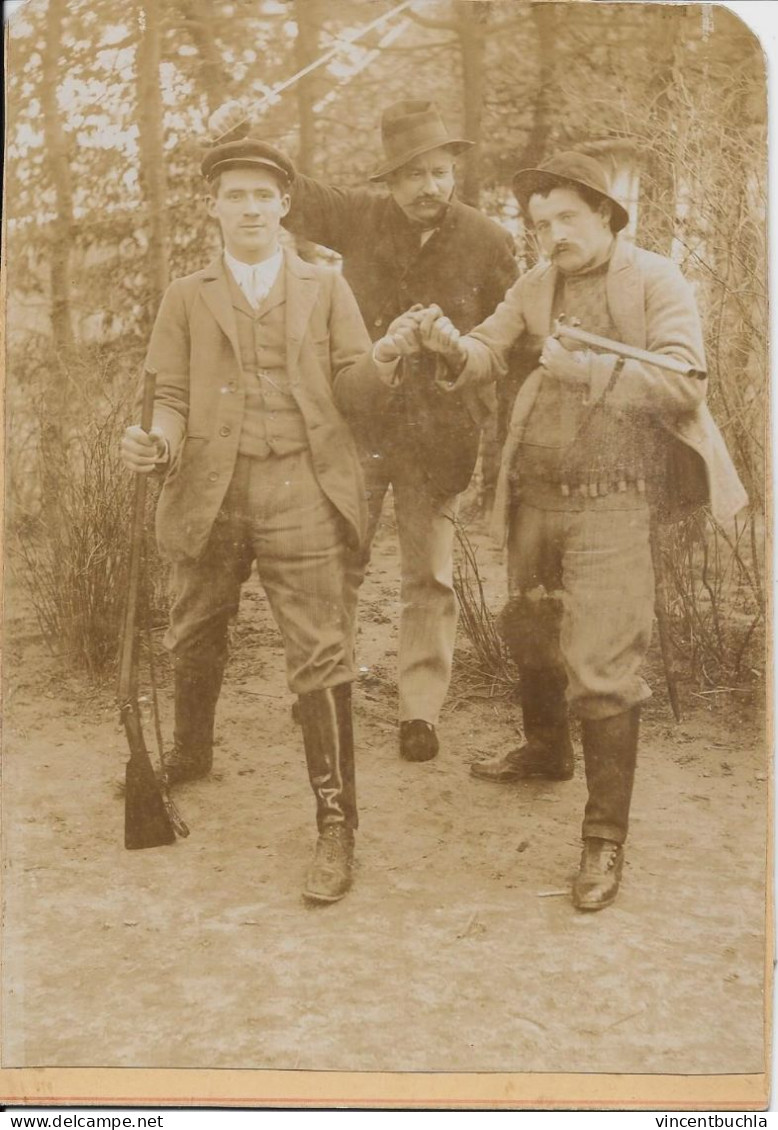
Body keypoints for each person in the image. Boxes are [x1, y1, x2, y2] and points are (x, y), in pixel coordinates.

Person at [413, 150, 747, 910]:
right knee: (529, 627)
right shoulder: (538, 284)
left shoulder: (657, 280)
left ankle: (604, 841)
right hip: (535, 492)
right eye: (540, 225)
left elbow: (681, 381)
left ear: (605, 216)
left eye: (568, 218)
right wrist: (446, 346)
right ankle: (544, 750)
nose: (552, 235)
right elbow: (485, 351)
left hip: (615, 498)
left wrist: (586, 372)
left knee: (600, 663)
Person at [119, 128, 395, 904]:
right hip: (210, 486)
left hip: (300, 487)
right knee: (194, 628)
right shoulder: (185, 296)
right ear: (214, 209)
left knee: (321, 653)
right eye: (233, 196)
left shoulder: (326, 287)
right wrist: (155, 444)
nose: (248, 208)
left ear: (284, 206)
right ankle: (191, 753)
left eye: (262, 196)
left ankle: (336, 825)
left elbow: (354, 387)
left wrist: (388, 360)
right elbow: (167, 396)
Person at [210, 98, 517, 762]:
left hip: (442, 435)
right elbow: (290, 186)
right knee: (338, 558)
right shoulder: (358, 218)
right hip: (360, 426)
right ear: (389, 181)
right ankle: (326, 683)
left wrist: (460, 356)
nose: (427, 188)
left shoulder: (491, 242)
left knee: (428, 575)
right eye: (411, 176)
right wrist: (241, 132)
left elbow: (509, 344)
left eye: (437, 172)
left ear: (452, 170)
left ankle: (420, 711)